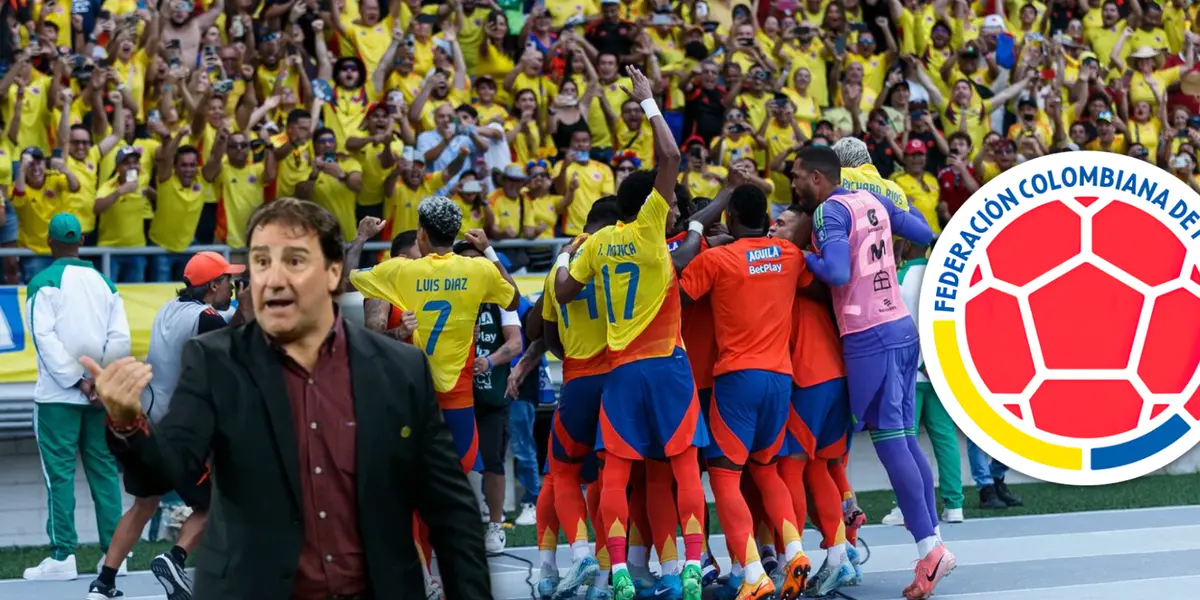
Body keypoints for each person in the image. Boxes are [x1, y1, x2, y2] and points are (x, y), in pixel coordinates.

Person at [84, 198, 491, 600]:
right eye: (266, 263)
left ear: (333, 274)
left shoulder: (399, 369)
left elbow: (450, 510)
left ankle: (109, 580)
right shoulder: (215, 360)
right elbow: (164, 464)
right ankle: (133, 573)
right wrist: (125, 424)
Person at [553, 66, 709, 600]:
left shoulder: (592, 246)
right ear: (650, 207)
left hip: (619, 371)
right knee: (684, 466)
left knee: (615, 476)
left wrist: (559, 266)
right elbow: (670, 157)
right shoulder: (649, 232)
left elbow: (566, 294)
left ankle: (617, 571)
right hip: (667, 365)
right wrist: (648, 102)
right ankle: (691, 565)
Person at [791, 146, 949, 600]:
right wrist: (896, 206)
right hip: (899, 324)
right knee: (901, 436)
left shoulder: (830, 211)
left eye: (799, 175)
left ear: (820, 178)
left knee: (875, 442)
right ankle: (932, 545)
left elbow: (837, 272)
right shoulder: (872, 199)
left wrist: (800, 257)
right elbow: (923, 230)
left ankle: (921, 550)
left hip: (867, 334)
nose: (795, 182)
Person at [677, 184, 812, 600]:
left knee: (723, 476)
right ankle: (795, 553)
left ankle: (753, 573)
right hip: (780, 378)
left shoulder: (717, 259)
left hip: (737, 377)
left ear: (730, 216)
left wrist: (701, 233)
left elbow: (677, 292)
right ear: (766, 219)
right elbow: (806, 276)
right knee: (767, 469)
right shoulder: (790, 255)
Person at [88, 251, 248, 600]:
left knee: (143, 504)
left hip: (149, 425)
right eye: (229, 281)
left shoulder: (168, 309)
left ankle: (103, 583)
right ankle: (174, 558)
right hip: (182, 432)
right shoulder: (207, 318)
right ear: (213, 285)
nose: (233, 288)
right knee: (217, 503)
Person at [23, 214, 128, 582]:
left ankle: (63, 556)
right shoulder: (104, 282)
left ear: (49, 242)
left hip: (58, 397)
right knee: (103, 473)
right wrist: (101, 383)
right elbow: (119, 338)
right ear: (82, 239)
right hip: (100, 397)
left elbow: (44, 340)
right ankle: (116, 556)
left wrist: (77, 381)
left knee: (60, 476)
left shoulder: (43, 282)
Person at [526, 199, 621, 599]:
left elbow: (546, 337)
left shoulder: (560, 263)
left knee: (558, 473)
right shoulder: (619, 253)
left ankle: (560, 563)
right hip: (619, 379)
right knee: (607, 479)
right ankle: (604, 577)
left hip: (577, 378)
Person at [768, 205, 860, 596]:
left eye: (782, 222)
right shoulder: (816, 268)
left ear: (803, 231)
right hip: (837, 378)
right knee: (820, 469)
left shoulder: (791, 266)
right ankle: (839, 558)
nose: (773, 226)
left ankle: (795, 560)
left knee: (791, 469)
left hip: (807, 378)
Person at [882, 240, 965, 528]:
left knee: (904, 443)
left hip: (909, 373)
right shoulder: (940, 275)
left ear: (904, 245)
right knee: (946, 440)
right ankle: (954, 506)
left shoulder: (900, 278)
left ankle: (906, 508)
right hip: (938, 373)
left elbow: (895, 325)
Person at [452, 239, 524, 553]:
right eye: (465, 260)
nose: (473, 265)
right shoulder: (449, 294)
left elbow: (516, 343)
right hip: (453, 389)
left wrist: (489, 361)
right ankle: (454, 524)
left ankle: (495, 525)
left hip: (490, 389)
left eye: (478, 259)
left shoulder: (498, 297)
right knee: (450, 461)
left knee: (493, 460)